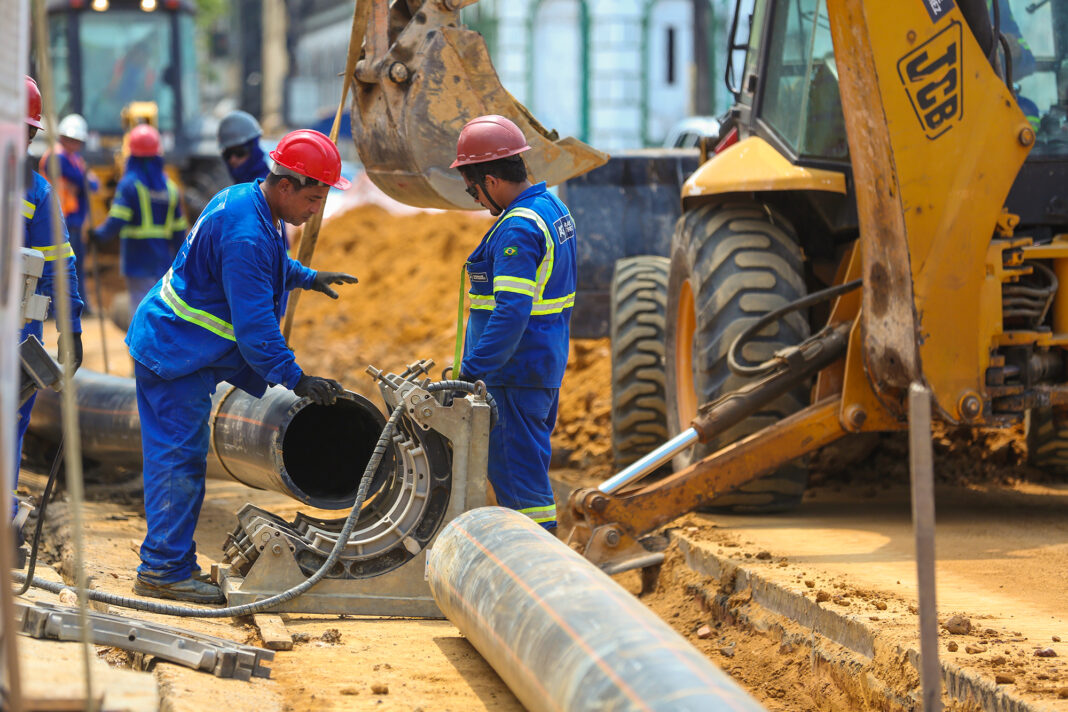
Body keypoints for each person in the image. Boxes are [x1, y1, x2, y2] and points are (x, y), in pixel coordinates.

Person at [124, 128, 358, 603]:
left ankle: (168, 563)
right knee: (178, 461)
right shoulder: (249, 232)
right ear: (287, 185)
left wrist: (308, 277)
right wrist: (298, 380)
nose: (317, 211)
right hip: (175, 354)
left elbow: (268, 266)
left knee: (181, 458)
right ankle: (163, 571)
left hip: (180, 345)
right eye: (314, 198)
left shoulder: (247, 201)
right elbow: (256, 334)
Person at [451, 115, 577, 532]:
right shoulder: (551, 208)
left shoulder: (518, 229)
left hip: (513, 375)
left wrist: (471, 372)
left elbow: (511, 311)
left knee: (522, 490)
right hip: (541, 365)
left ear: (490, 179)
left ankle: (537, 578)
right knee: (528, 473)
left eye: (473, 189)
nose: (475, 200)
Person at [18, 77, 84, 499]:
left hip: (19, 332)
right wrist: (71, 327)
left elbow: (58, 264)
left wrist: (71, 325)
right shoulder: (36, 189)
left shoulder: (38, 190)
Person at [91, 124, 188, 309]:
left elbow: (117, 219)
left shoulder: (129, 185)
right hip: (163, 261)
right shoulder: (170, 188)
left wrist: (98, 236)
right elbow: (179, 231)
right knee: (161, 309)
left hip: (137, 260)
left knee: (141, 310)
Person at [39, 113, 98, 308]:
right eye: (71, 139)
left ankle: (79, 305)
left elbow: (91, 184)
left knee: (74, 266)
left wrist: (87, 180)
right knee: (62, 268)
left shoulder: (74, 159)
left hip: (72, 222)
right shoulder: (57, 157)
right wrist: (87, 180)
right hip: (58, 220)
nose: (75, 144)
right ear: (63, 137)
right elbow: (83, 180)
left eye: (77, 141)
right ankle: (60, 308)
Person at [217, 110, 271, 184]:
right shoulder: (237, 186)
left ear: (254, 148)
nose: (232, 159)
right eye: (227, 154)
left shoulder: (271, 183)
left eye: (239, 152)